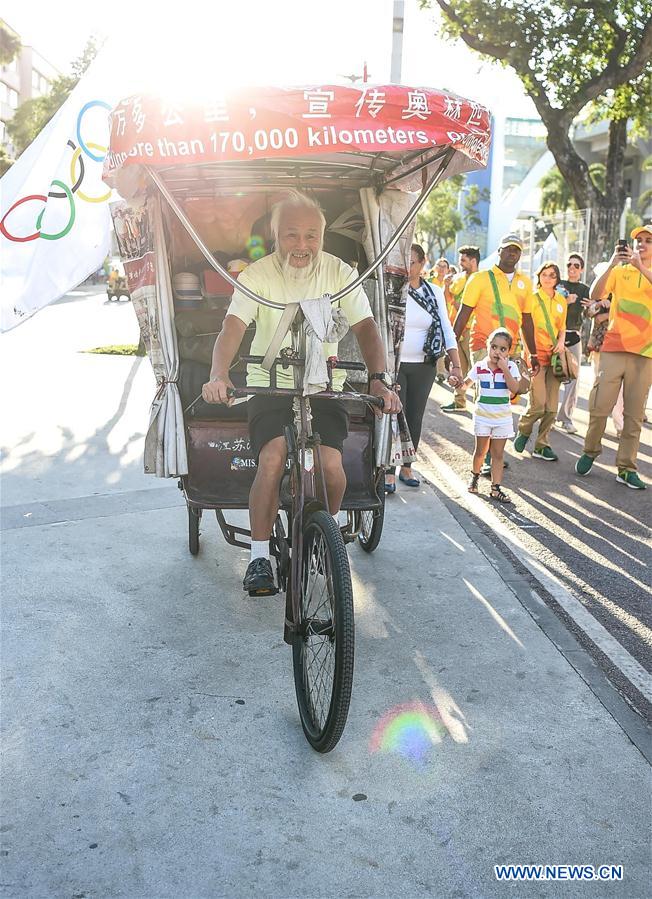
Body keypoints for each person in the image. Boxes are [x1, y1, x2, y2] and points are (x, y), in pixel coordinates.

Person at [202, 191, 402, 594]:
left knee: (331, 466)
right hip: (269, 385)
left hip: (324, 385)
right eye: (291, 235)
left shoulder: (340, 272)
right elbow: (232, 329)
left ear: (323, 237)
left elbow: (365, 326)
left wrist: (379, 377)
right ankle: (259, 557)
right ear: (276, 236)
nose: (302, 246)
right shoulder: (257, 274)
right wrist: (218, 374)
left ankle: (321, 540)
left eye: (312, 236)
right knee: (272, 458)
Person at [453, 234, 540, 474]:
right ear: (499, 251)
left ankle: (493, 451)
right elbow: (464, 313)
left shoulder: (525, 283)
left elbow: (527, 320)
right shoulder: (481, 279)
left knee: (503, 398)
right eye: (508, 249)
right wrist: (451, 347)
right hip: (483, 345)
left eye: (517, 250)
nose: (512, 253)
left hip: (508, 350)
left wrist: (532, 354)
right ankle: (487, 454)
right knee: (486, 395)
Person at [575, 224, 652, 489]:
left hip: (645, 354)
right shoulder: (619, 271)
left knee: (633, 415)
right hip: (613, 348)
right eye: (638, 240)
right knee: (599, 405)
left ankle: (626, 468)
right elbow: (595, 295)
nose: (641, 244)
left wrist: (641, 266)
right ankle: (590, 451)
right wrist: (611, 263)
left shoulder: (647, 271)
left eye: (647, 240)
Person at [384, 243, 462, 493]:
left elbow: (447, 329)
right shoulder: (392, 289)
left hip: (424, 365)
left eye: (413, 262)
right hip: (395, 364)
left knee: (415, 415)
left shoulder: (435, 292)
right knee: (395, 414)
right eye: (404, 262)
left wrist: (456, 365)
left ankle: (407, 466)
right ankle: (388, 469)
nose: (409, 267)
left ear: (423, 263)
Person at [513, 262, 567, 461]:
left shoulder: (561, 301)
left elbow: (562, 327)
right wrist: (530, 354)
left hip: (554, 359)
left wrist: (561, 342)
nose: (548, 278)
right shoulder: (532, 298)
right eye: (544, 274)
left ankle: (542, 445)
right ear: (539, 276)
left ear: (557, 279)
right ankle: (524, 430)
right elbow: (524, 326)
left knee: (552, 409)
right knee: (538, 406)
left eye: (552, 275)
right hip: (535, 358)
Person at [465, 328, 524, 503]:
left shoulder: (511, 367)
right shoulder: (479, 366)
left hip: (502, 419)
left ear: (509, 351)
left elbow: (515, 389)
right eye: (494, 347)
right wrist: (457, 382)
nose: (497, 352)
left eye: (502, 349)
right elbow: (465, 385)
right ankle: (475, 476)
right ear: (488, 347)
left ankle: (495, 488)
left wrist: (504, 368)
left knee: (498, 454)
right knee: (480, 451)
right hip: (483, 415)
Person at [441, 245, 480, 413]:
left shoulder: (481, 279)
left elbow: (467, 306)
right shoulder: (457, 278)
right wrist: (446, 286)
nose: (460, 263)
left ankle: (481, 405)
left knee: (477, 368)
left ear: (473, 260)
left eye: (463, 260)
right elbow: (448, 300)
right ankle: (459, 400)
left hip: (473, 330)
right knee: (459, 367)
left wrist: (457, 305)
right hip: (457, 329)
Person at [556, 253, 590, 433]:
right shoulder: (559, 285)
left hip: (574, 336)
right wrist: (565, 302)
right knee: (553, 376)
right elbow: (552, 307)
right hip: (556, 336)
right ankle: (549, 415)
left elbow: (589, 313)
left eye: (576, 265)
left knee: (573, 378)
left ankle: (566, 418)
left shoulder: (585, 289)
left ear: (581, 269)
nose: (572, 268)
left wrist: (592, 307)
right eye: (569, 264)